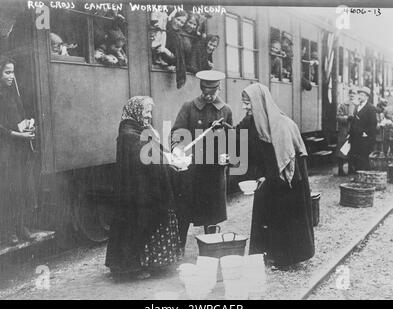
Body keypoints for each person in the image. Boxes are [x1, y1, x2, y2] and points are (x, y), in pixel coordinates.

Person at [236, 83, 314, 268]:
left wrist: (269, 177)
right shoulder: (251, 121)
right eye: (244, 103)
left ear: (259, 102)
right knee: (265, 213)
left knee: (285, 216)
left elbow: (288, 161)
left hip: (288, 181)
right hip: (267, 178)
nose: (245, 107)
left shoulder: (282, 125)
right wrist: (220, 129)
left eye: (248, 103)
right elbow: (236, 136)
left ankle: (287, 258)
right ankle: (266, 253)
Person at [105, 96, 182, 280]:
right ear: (136, 111)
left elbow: (154, 149)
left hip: (142, 189)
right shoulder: (129, 133)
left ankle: (149, 264)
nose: (148, 116)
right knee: (136, 226)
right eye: (146, 112)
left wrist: (168, 157)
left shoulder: (137, 129)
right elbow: (146, 154)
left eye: (149, 112)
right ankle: (128, 269)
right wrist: (167, 160)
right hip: (136, 193)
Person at [171, 70, 232, 248]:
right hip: (191, 172)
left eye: (212, 92)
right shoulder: (188, 107)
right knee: (183, 214)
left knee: (211, 216)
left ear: (219, 88)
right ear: (201, 88)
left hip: (213, 173)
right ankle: (178, 251)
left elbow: (233, 138)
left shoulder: (225, 110)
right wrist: (178, 148)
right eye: (205, 91)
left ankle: (210, 250)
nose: (208, 96)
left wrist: (229, 155)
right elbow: (177, 132)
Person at [0, 57, 35, 245]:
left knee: (19, 188)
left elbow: (19, 118)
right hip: (0, 151)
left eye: (13, 72)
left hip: (16, 150)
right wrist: (19, 135)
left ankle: (19, 226)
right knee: (4, 190)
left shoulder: (13, 94)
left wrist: (27, 126)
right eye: (7, 72)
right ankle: (5, 231)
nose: (12, 76)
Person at [156, 10, 188, 89]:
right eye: (178, 19)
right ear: (173, 17)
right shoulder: (164, 27)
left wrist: (165, 51)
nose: (179, 23)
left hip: (169, 66)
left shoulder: (178, 37)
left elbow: (177, 57)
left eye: (182, 22)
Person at [349, 86, 377, 172]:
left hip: (365, 138)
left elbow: (373, 124)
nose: (359, 96)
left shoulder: (370, 108)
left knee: (364, 158)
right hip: (355, 137)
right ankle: (358, 176)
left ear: (367, 97)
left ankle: (364, 177)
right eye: (359, 94)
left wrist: (367, 134)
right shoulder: (357, 107)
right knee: (356, 157)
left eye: (361, 95)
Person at [335, 88, 358, 176]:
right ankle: (340, 169)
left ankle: (351, 169)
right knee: (342, 150)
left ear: (356, 95)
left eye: (354, 94)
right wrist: (346, 118)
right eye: (350, 94)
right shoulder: (343, 105)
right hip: (344, 131)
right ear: (348, 95)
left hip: (354, 130)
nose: (352, 95)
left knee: (352, 150)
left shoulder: (357, 105)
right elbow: (338, 117)